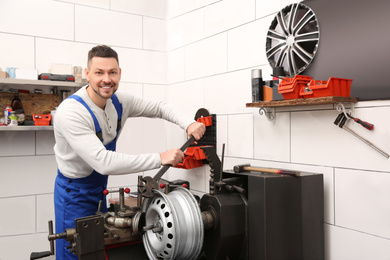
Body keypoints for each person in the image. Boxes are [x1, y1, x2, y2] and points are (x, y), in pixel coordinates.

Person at [53, 45, 205, 260]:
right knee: (75, 252)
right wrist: (160, 157)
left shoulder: (120, 102)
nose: (107, 79)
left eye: (112, 72)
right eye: (99, 72)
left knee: (96, 250)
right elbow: (103, 162)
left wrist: (188, 123)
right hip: (74, 194)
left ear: (119, 73)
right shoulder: (71, 112)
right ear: (87, 74)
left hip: (98, 188)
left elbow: (160, 107)